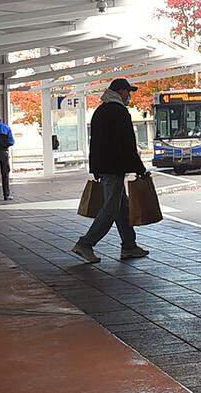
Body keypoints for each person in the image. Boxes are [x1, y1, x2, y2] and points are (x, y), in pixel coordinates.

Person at [71, 78, 150, 263]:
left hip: (104, 166)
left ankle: (129, 246)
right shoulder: (119, 112)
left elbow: (95, 143)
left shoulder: (101, 111)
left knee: (122, 208)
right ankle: (85, 244)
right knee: (110, 209)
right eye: (128, 92)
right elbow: (126, 143)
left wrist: (95, 168)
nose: (129, 96)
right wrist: (139, 167)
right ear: (121, 92)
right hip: (114, 167)